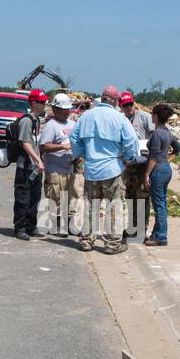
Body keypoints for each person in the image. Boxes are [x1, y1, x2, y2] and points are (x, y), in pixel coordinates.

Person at [69, 85, 141, 255]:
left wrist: (82, 153)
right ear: (116, 101)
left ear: (102, 98)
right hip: (113, 170)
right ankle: (112, 245)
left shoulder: (86, 116)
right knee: (114, 207)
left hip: (92, 169)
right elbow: (132, 142)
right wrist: (129, 158)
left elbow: (73, 137)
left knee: (90, 207)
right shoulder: (119, 118)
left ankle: (86, 241)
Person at [38, 93, 80, 237]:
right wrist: (63, 147)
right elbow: (44, 146)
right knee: (54, 197)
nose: (67, 112)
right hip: (55, 169)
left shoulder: (73, 124)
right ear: (56, 110)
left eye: (68, 109)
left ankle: (68, 225)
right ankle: (54, 226)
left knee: (70, 198)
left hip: (70, 168)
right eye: (64, 109)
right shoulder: (51, 126)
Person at [144, 103, 180, 246]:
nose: (151, 116)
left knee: (158, 204)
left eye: (152, 114)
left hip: (158, 170)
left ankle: (161, 237)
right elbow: (178, 148)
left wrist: (147, 174)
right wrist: (166, 159)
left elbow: (153, 157)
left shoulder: (157, 133)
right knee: (162, 203)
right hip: (166, 168)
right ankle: (156, 234)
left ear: (156, 116)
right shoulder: (167, 132)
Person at [118, 91, 154, 241]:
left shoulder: (144, 116)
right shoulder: (121, 119)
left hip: (143, 163)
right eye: (125, 105)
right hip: (129, 164)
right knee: (130, 196)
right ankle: (132, 227)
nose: (128, 107)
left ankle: (141, 229)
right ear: (121, 106)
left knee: (142, 196)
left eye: (130, 104)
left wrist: (150, 150)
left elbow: (154, 134)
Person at [11, 89, 46, 240]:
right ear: (33, 103)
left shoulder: (36, 120)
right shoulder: (26, 121)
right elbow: (25, 143)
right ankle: (20, 228)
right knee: (23, 198)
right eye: (42, 102)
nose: (45, 104)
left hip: (35, 168)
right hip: (25, 167)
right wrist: (38, 160)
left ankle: (31, 226)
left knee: (35, 198)